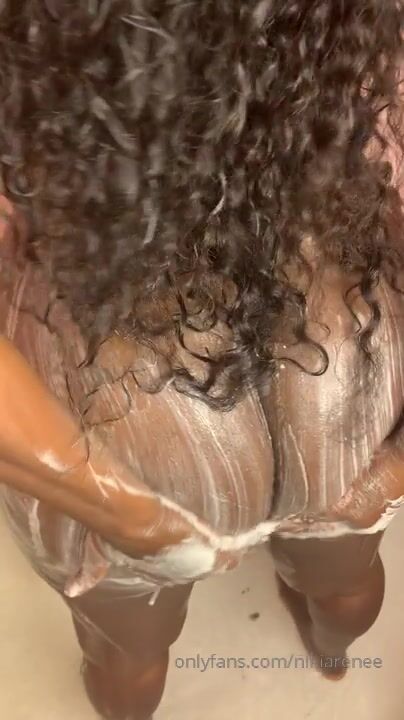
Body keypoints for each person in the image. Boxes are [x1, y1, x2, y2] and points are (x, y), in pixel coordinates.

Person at [0, 1, 403, 718]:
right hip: (344, 378)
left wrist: (139, 523)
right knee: (344, 587)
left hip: (127, 423)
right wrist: (394, 468)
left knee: (130, 657)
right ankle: (333, 656)